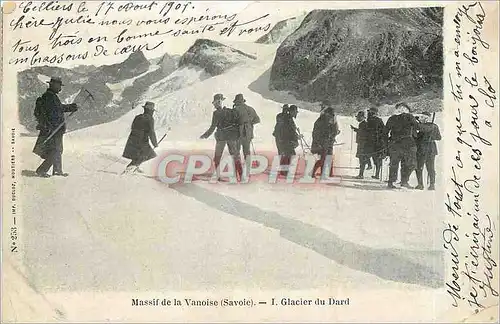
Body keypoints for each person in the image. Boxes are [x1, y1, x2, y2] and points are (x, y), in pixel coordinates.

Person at [33, 76, 79, 178]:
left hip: (54, 129)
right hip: (52, 129)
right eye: (59, 86)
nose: (60, 88)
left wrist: (69, 107)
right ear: (53, 85)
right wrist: (70, 107)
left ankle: (57, 170)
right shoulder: (49, 96)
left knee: (57, 149)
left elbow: (58, 108)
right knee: (55, 150)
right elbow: (57, 110)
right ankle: (42, 170)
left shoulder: (51, 96)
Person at [200, 94, 243, 180]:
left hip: (222, 137)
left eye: (217, 102)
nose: (216, 104)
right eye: (215, 103)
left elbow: (213, 127)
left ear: (219, 102)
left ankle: (218, 176)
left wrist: (205, 135)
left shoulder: (216, 113)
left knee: (217, 157)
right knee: (235, 156)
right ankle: (241, 176)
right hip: (231, 136)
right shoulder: (230, 111)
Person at [384, 102, 419, 189]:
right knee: (409, 164)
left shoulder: (391, 118)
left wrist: (387, 143)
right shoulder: (409, 117)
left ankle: (391, 182)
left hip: (394, 144)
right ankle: (404, 181)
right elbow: (417, 127)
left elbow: (385, 132)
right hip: (407, 144)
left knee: (394, 164)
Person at [122, 101, 158, 174]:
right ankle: (130, 168)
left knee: (139, 155)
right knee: (147, 154)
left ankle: (135, 167)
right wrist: (155, 143)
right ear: (151, 111)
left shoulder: (137, 117)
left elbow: (133, 127)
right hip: (142, 140)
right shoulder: (150, 119)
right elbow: (151, 132)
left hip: (133, 139)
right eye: (152, 111)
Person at [415, 111, 441, 190]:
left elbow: (417, 136)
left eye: (422, 117)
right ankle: (432, 185)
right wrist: (432, 136)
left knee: (419, 167)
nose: (420, 119)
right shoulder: (434, 126)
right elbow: (439, 137)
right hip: (431, 148)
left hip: (421, 148)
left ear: (426, 118)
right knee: (431, 167)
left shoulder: (421, 126)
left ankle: (420, 185)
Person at [311, 107, 339, 178]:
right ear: (327, 114)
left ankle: (329, 173)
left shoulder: (331, 120)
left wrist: (334, 133)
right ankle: (313, 172)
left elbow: (334, 130)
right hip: (322, 143)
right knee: (323, 159)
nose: (332, 116)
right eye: (331, 114)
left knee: (329, 157)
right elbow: (316, 133)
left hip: (329, 142)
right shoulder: (320, 121)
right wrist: (318, 143)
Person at [233, 94, 260, 161]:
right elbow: (257, 120)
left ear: (237, 102)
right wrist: (249, 123)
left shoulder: (235, 109)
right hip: (248, 133)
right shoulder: (251, 109)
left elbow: (232, 121)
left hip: (238, 133)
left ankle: (237, 166)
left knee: (236, 150)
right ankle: (247, 165)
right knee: (246, 150)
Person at [366, 106, 386, 179]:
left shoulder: (372, 120)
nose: (369, 113)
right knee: (377, 158)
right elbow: (384, 130)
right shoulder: (376, 120)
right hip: (376, 142)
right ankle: (377, 174)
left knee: (375, 158)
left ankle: (377, 174)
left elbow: (383, 130)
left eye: (370, 112)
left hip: (375, 142)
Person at [279, 104, 300, 176]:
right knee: (290, 155)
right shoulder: (288, 119)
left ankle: (285, 171)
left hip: (286, 140)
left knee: (289, 155)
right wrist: (296, 137)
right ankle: (284, 171)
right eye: (295, 112)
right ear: (291, 111)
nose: (296, 113)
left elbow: (291, 130)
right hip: (287, 140)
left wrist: (296, 136)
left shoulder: (289, 118)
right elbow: (289, 131)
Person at [350, 111, 370, 179]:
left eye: (358, 117)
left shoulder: (363, 124)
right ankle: (361, 174)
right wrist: (355, 129)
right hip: (362, 144)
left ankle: (361, 175)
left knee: (362, 159)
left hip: (363, 144)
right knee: (362, 159)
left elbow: (363, 133)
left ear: (362, 117)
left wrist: (355, 129)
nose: (357, 118)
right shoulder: (363, 124)